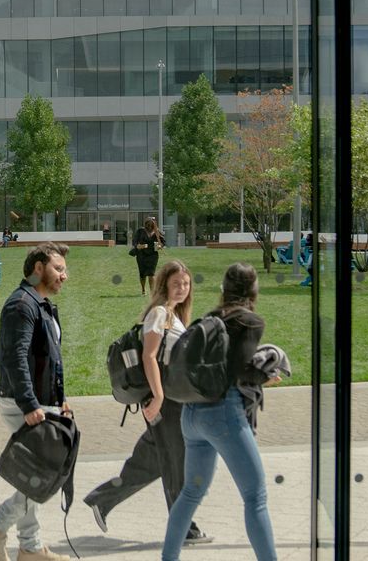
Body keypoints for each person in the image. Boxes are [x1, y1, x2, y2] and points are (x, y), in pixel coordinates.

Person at [83, 259, 210, 546]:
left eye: (186, 283)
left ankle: (101, 500)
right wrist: (159, 397)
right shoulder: (159, 314)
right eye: (176, 283)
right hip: (164, 402)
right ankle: (184, 528)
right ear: (164, 284)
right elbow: (148, 357)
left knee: (151, 461)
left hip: (169, 400)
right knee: (176, 462)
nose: (182, 288)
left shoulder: (175, 316)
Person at [162, 263, 277, 561]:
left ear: (223, 289)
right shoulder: (250, 321)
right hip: (223, 415)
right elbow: (240, 370)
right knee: (256, 497)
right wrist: (268, 374)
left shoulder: (212, 317)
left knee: (190, 493)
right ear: (254, 290)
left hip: (192, 415)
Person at [0, 243, 75, 561]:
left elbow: (49, 357)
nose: (65, 275)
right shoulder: (21, 304)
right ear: (38, 269)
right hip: (21, 401)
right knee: (41, 471)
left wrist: (60, 399)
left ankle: (29, 546)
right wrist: (30, 403)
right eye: (58, 269)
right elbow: (14, 357)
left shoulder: (40, 303)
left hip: (40, 400)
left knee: (38, 470)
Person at [132, 216, 163, 295]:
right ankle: (143, 290)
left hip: (153, 255)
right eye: (148, 224)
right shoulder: (140, 231)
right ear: (146, 224)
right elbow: (135, 241)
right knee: (142, 274)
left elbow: (162, 242)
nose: (150, 226)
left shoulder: (157, 232)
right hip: (141, 255)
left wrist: (160, 246)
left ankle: (152, 292)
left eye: (151, 224)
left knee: (151, 274)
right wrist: (138, 246)